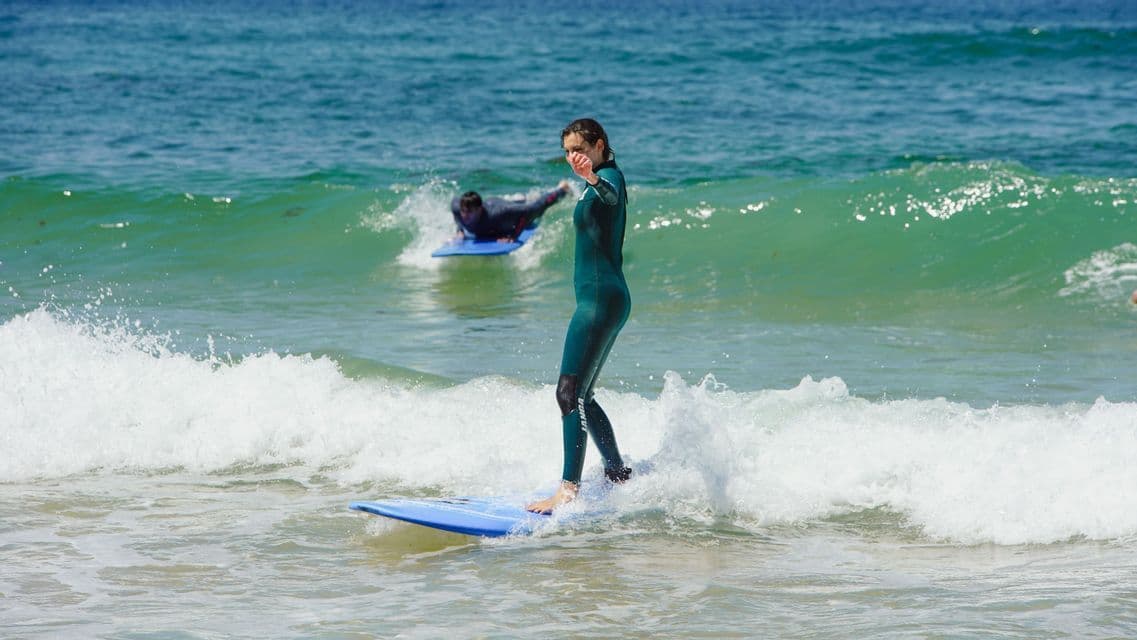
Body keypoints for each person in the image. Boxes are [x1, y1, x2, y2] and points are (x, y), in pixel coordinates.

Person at [527, 118, 632, 514]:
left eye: (581, 149)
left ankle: (567, 490)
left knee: (567, 393)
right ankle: (617, 472)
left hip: (600, 301)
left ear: (599, 146)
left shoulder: (609, 177)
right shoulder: (598, 177)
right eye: (569, 151)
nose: (574, 157)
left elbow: (609, 198)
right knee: (583, 396)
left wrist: (592, 177)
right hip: (605, 298)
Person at [451, 180, 572, 242]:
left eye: (469, 212)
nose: (465, 215)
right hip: (495, 203)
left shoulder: (497, 213)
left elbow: (526, 211)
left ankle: (562, 189)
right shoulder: (458, 209)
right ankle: (520, 199)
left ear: (480, 209)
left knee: (537, 208)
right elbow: (454, 206)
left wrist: (514, 236)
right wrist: (460, 230)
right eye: (463, 211)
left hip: (501, 207)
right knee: (516, 205)